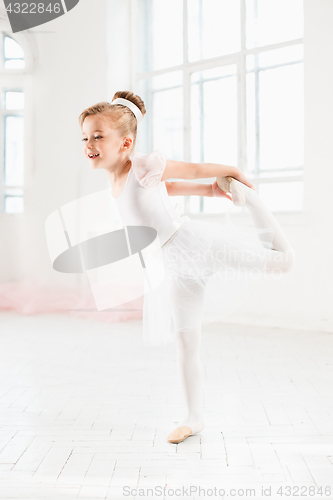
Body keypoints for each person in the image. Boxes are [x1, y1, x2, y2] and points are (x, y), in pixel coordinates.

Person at [79, 90, 295, 444]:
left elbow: (188, 169)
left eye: (98, 136)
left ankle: (253, 201)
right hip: (174, 265)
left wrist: (232, 173)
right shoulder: (115, 179)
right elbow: (165, 189)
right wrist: (210, 191)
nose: (89, 143)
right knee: (186, 341)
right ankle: (194, 418)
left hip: (193, 243)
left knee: (283, 263)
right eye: (86, 137)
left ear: (125, 143)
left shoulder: (143, 164)